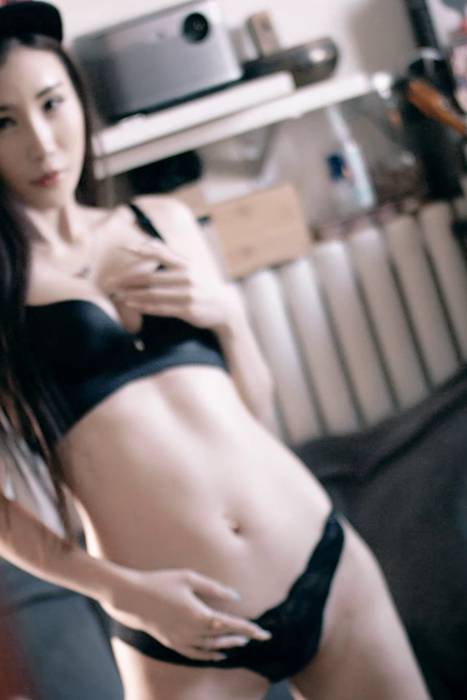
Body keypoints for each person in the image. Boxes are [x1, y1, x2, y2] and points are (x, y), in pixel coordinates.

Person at [0, 3, 431, 699]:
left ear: (78, 99)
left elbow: (253, 410)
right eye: (5, 122)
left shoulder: (163, 222)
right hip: (177, 627)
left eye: (51, 104)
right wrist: (120, 592)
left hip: (321, 558)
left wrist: (226, 318)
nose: (43, 144)